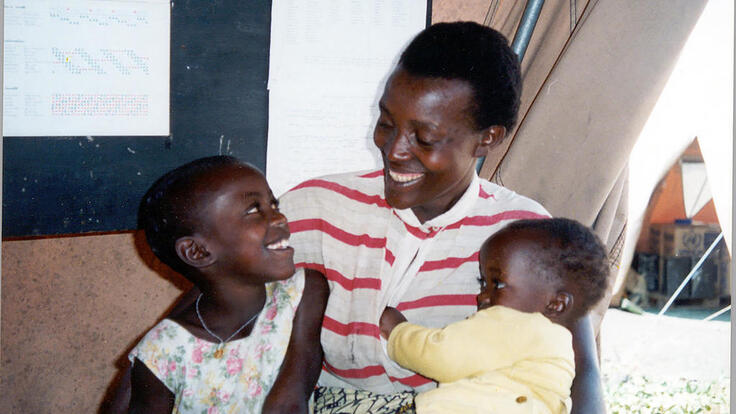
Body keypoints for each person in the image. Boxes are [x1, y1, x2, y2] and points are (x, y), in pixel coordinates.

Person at [277, 22, 605, 413]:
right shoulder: (316, 208)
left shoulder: (525, 234)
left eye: (425, 138)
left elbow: (581, 371)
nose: (394, 149)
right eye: (386, 123)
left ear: (489, 138)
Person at [126, 156, 327, 413]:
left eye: (273, 203)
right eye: (254, 210)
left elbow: (289, 401)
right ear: (197, 252)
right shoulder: (164, 351)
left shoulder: (301, 292)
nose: (279, 218)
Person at [379, 218, 610, 413]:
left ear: (556, 304)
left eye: (497, 283)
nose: (482, 296)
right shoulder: (558, 344)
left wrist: (397, 330)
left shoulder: (516, 324)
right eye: (483, 283)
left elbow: (443, 355)